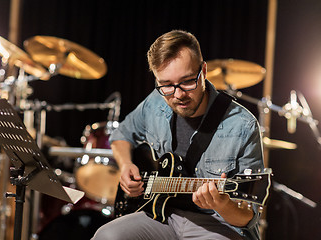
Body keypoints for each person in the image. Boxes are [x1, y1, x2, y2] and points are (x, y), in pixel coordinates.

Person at [92, 30, 264, 240]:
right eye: (166, 85)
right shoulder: (155, 102)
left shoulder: (242, 125)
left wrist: (223, 205)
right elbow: (121, 135)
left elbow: (248, 217)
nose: (178, 94)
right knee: (106, 235)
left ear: (204, 71)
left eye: (188, 81)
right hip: (162, 215)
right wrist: (126, 165)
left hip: (217, 224)